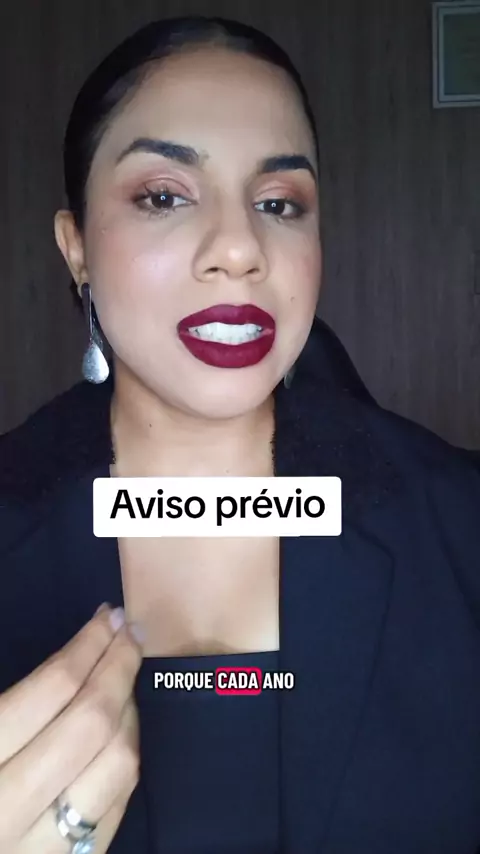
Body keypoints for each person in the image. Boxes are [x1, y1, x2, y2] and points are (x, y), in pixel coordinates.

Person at [0, 15, 479, 854]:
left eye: (278, 203)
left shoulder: (460, 524)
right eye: (164, 196)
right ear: (76, 250)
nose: (238, 248)